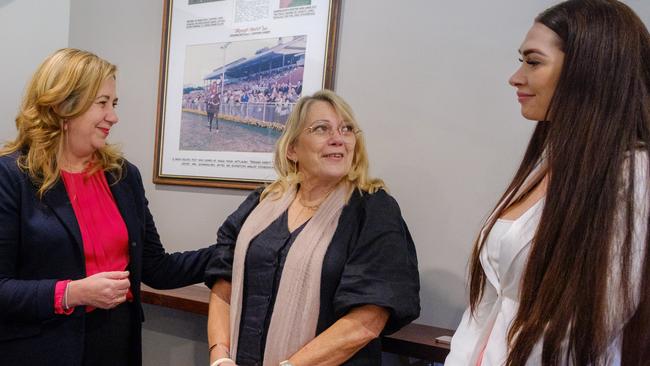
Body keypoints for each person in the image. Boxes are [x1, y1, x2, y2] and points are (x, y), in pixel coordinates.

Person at [446, 1, 650, 365]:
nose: (515, 76)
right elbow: (486, 306)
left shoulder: (632, 175)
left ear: (589, 71)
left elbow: (589, 327)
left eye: (533, 61)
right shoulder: (545, 164)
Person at [0, 48, 215, 366]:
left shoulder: (123, 176)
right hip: (40, 350)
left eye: (113, 104)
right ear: (62, 105)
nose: (113, 116)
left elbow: (156, 267)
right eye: (102, 103)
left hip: (116, 344)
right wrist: (72, 293)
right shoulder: (11, 176)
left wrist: (234, 248)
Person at [205, 90, 420, 366]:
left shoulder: (373, 210)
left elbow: (369, 319)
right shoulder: (262, 202)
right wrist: (219, 355)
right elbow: (223, 280)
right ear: (292, 148)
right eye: (322, 129)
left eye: (347, 129)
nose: (338, 138)